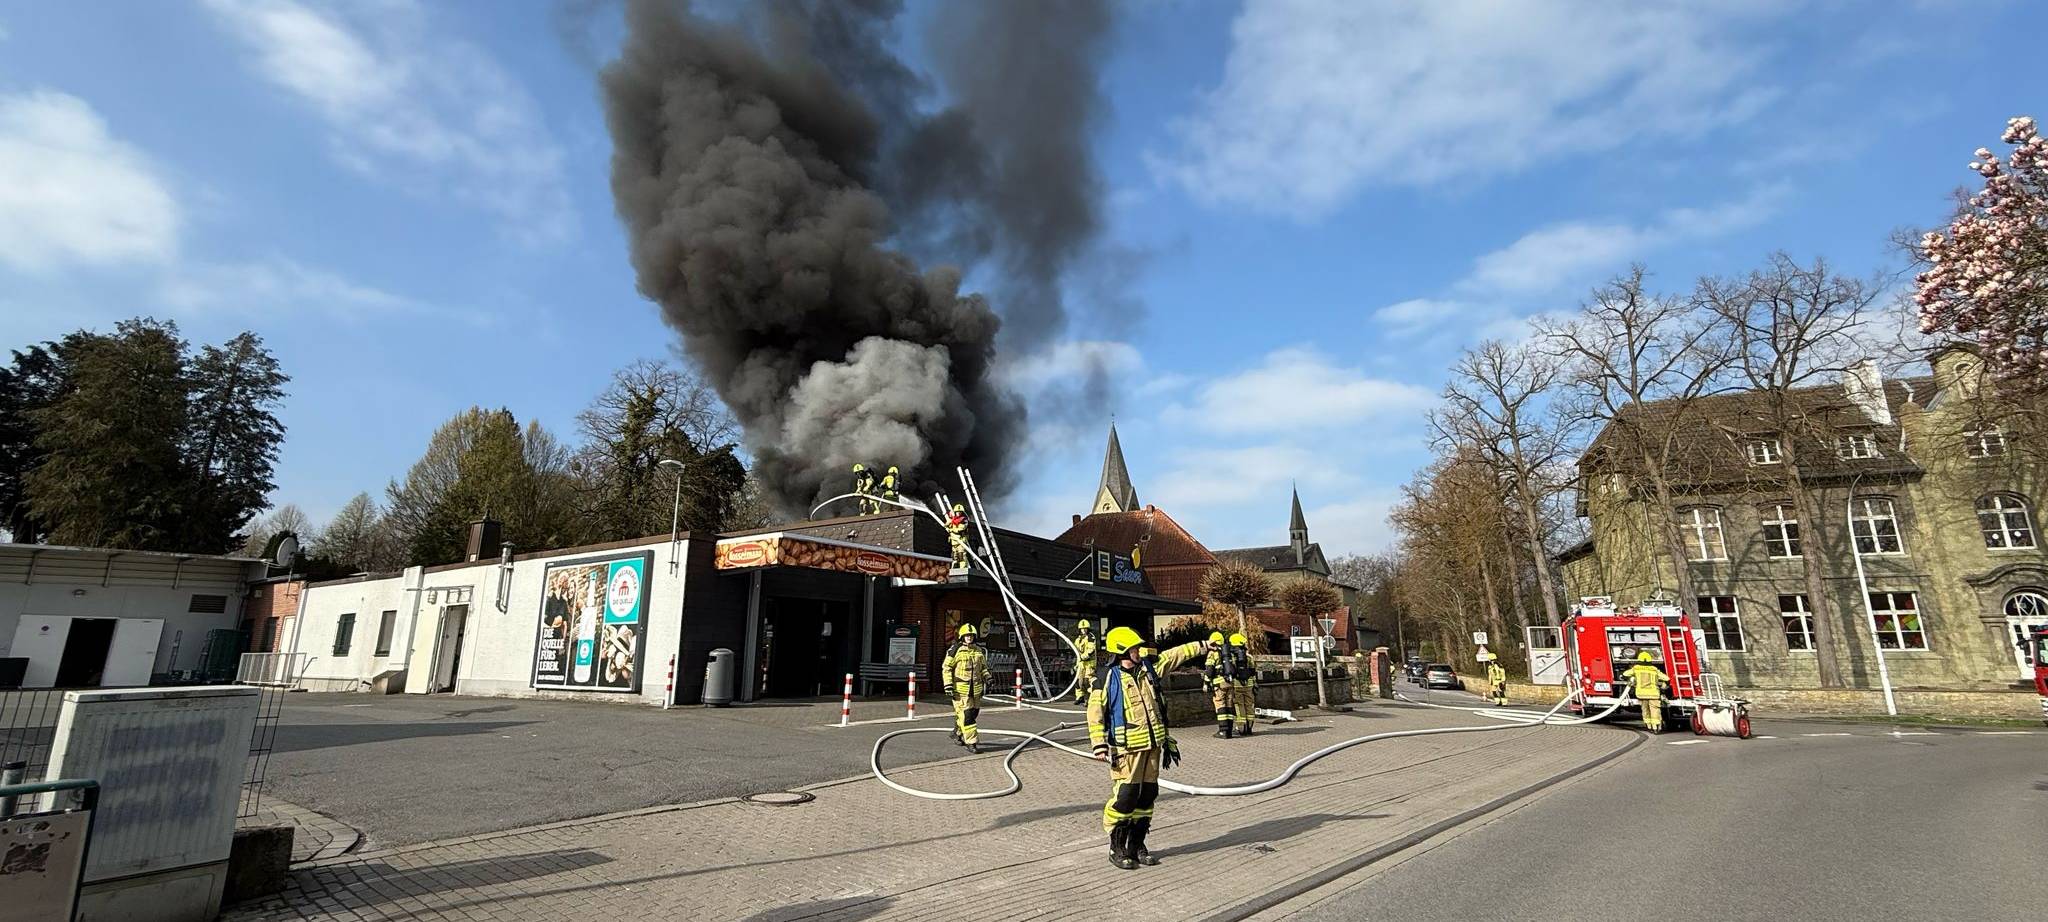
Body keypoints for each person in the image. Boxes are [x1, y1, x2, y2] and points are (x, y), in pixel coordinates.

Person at [1089, 626, 1210, 870]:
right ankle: (1118, 846)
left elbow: (1175, 655)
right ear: (1122, 650)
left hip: (1153, 746)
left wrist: (1204, 645)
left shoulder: (1148, 669)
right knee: (1125, 797)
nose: (1139, 650)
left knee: (1146, 796)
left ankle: (1137, 845)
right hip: (1127, 750)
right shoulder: (1107, 678)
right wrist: (1099, 744)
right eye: (1134, 647)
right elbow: (1095, 713)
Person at [942, 623, 990, 752]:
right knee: (968, 716)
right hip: (960, 690)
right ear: (962, 636)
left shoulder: (978, 650)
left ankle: (957, 733)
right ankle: (972, 742)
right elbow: (946, 668)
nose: (969, 638)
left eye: (971, 635)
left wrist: (988, 678)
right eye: (967, 635)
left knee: (973, 714)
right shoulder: (955, 650)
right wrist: (948, 686)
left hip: (976, 690)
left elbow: (983, 668)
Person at [1621, 650, 1670, 732]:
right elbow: (1667, 679)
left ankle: (1649, 727)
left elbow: (1624, 675)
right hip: (1653, 694)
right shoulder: (1654, 670)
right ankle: (1656, 727)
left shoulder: (1636, 669)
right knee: (1655, 710)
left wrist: (1631, 680)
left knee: (1645, 710)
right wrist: (1663, 686)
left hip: (1641, 694)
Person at [1203, 631, 1235, 738]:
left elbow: (1209, 671)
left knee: (1220, 705)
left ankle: (1223, 731)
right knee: (1229, 706)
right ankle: (1229, 731)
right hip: (1230, 683)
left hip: (1219, 684)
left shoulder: (1213, 654)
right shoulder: (1228, 653)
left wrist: (1206, 683)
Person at [1227, 633, 1258, 736]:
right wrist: (1254, 684)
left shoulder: (1231, 657)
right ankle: (1249, 728)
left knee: (1239, 706)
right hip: (1249, 685)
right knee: (1249, 706)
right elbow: (1253, 672)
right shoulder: (1249, 657)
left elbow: (1230, 670)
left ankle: (1241, 729)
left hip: (1236, 684)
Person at [1072, 621, 1101, 704]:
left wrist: (1083, 657)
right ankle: (1079, 696)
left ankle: (1088, 698)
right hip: (1080, 663)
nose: (1083, 630)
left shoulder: (1091, 637)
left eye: (1085, 629)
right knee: (1078, 681)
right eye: (1082, 629)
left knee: (1087, 682)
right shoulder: (1078, 639)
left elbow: (1091, 650)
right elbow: (1076, 650)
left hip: (1089, 663)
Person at [946, 503, 971, 570]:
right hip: (954, 542)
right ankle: (954, 570)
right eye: (957, 512)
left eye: (960, 512)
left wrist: (951, 529)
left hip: (960, 542)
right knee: (954, 557)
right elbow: (946, 525)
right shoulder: (953, 520)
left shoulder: (964, 520)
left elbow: (960, 529)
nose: (958, 513)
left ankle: (962, 570)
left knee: (961, 556)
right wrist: (948, 526)